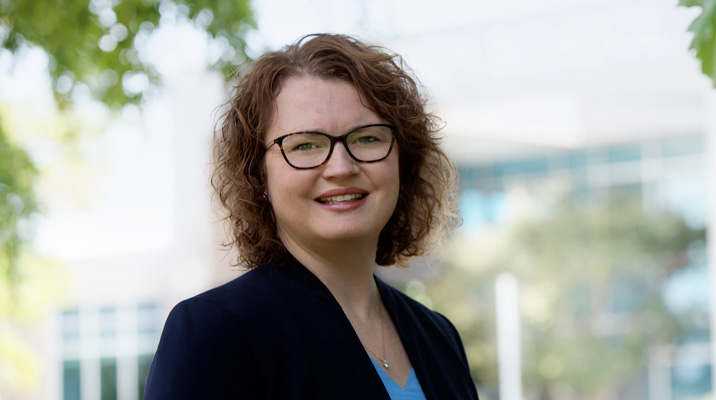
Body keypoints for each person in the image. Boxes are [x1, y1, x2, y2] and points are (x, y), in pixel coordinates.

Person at [143, 34, 477, 399]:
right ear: (258, 176)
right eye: (304, 145)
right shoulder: (215, 331)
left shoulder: (439, 336)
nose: (341, 167)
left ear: (403, 159)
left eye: (367, 138)